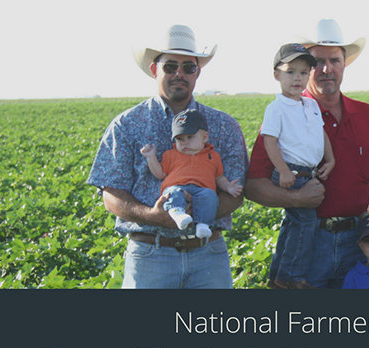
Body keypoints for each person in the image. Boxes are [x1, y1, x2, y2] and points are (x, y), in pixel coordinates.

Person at [87, 24, 248, 289]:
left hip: (209, 253)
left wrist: (200, 212)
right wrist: (153, 215)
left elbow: (236, 190)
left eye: (189, 67)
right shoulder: (127, 124)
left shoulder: (224, 125)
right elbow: (111, 194)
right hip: (151, 254)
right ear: (154, 69)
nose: (179, 74)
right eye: (170, 66)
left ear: (198, 72)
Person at [244, 19, 369, 289]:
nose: (327, 69)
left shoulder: (367, 115)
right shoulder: (284, 114)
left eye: (335, 61)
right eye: (317, 62)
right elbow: (254, 186)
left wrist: (368, 221)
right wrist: (296, 198)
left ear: (344, 64)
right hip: (308, 243)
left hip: (356, 244)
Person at [262, 43, 336, 289]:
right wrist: (282, 170)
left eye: (304, 73)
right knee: (305, 223)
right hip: (291, 173)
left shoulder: (311, 105)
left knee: (292, 224)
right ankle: (291, 277)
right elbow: (269, 141)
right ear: (276, 75)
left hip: (309, 173)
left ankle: (277, 275)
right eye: (290, 71)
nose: (298, 78)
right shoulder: (276, 108)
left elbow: (321, 133)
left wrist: (331, 158)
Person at [140, 109, 243, 239]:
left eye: (190, 137)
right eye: (180, 139)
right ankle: (177, 213)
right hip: (178, 186)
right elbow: (160, 174)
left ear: (204, 137)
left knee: (210, 196)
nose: (185, 142)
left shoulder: (213, 156)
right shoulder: (170, 154)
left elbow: (219, 177)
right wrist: (151, 157)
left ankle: (203, 225)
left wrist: (228, 186)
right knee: (172, 193)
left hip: (202, 189)